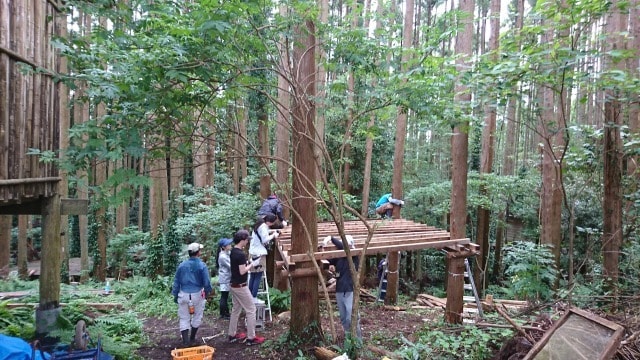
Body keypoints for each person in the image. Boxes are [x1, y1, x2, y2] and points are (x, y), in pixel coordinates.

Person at [171, 242, 213, 346]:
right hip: (197, 294)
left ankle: (185, 342)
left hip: (184, 294)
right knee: (197, 316)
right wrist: (207, 292)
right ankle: (192, 338)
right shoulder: (202, 265)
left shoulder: (182, 265)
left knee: (184, 317)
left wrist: (175, 295)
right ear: (198, 252)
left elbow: (176, 281)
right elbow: (206, 282)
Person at [228, 229, 265, 346]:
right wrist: (253, 264)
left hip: (233, 284)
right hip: (240, 286)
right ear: (242, 240)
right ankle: (251, 338)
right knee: (251, 310)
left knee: (236, 309)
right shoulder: (240, 254)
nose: (247, 242)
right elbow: (242, 270)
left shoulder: (233, 251)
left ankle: (232, 334)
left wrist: (249, 261)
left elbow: (239, 265)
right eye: (246, 240)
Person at [327, 236, 362, 339]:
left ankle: (357, 341)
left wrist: (331, 238)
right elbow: (328, 260)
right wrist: (321, 249)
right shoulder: (338, 257)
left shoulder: (353, 256)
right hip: (339, 291)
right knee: (343, 318)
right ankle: (349, 339)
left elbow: (344, 248)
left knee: (352, 318)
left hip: (350, 290)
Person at [248, 214, 280, 300]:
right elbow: (265, 239)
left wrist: (271, 232)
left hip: (252, 252)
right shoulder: (263, 227)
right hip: (259, 254)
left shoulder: (259, 225)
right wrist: (274, 235)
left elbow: (262, 236)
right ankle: (253, 297)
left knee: (253, 275)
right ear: (269, 222)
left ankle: (250, 296)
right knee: (258, 276)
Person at [217, 238, 233, 319]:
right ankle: (223, 314)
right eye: (228, 244)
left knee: (225, 296)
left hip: (226, 277)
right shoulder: (222, 256)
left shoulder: (227, 253)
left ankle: (225, 313)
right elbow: (231, 266)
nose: (230, 245)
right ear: (223, 247)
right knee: (224, 296)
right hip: (225, 278)